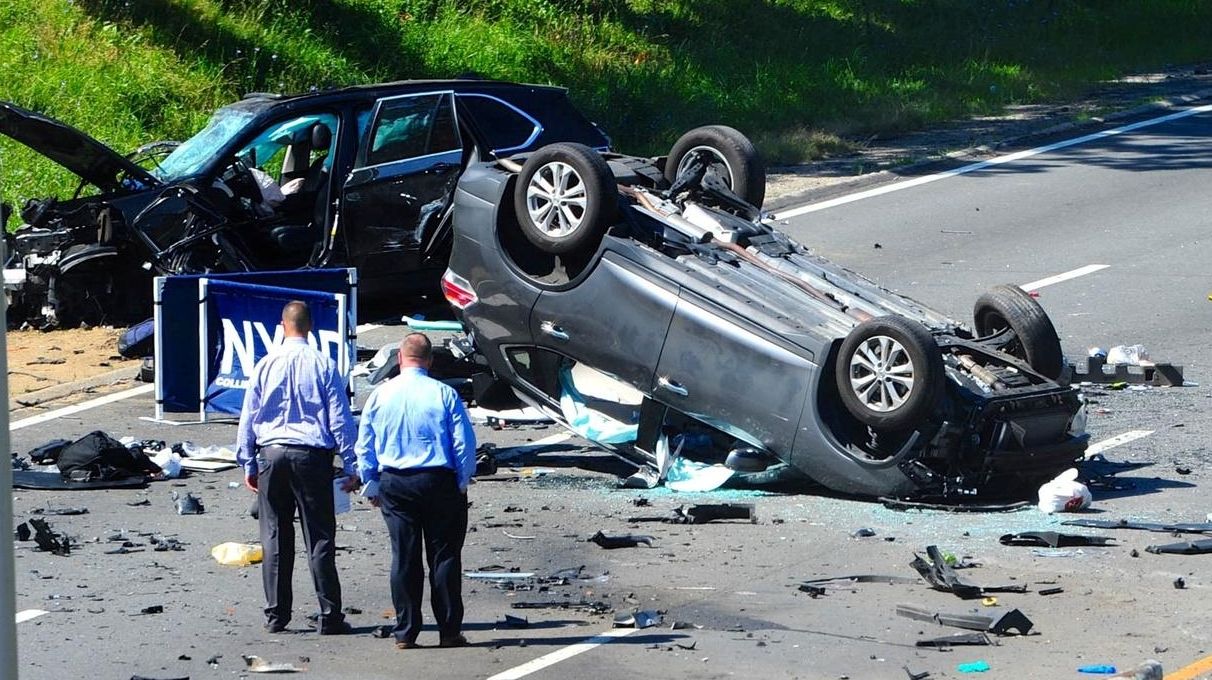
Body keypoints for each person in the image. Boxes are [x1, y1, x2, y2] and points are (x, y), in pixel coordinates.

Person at [236, 300, 360, 635]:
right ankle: (330, 615)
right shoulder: (323, 363)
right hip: (311, 457)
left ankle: (277, 615)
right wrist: (352, 463)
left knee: (274, 535)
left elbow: (248, 416)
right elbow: (340, 418)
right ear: (310, 327)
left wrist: (247, 461)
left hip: (272, 454)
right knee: (319, 536)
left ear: (282, 325)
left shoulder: (266, 364)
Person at [356, 333, 477, 649]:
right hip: (439, 480)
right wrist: (462, 481)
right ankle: (449, 630)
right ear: (430, 360)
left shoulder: (381, 395)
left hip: (396, 481)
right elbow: (464, 444)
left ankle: (406, 631)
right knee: (445, 556)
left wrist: (370, 482)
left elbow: (365, 444)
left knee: (404, 557)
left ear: (399, 358)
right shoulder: (444, 393)